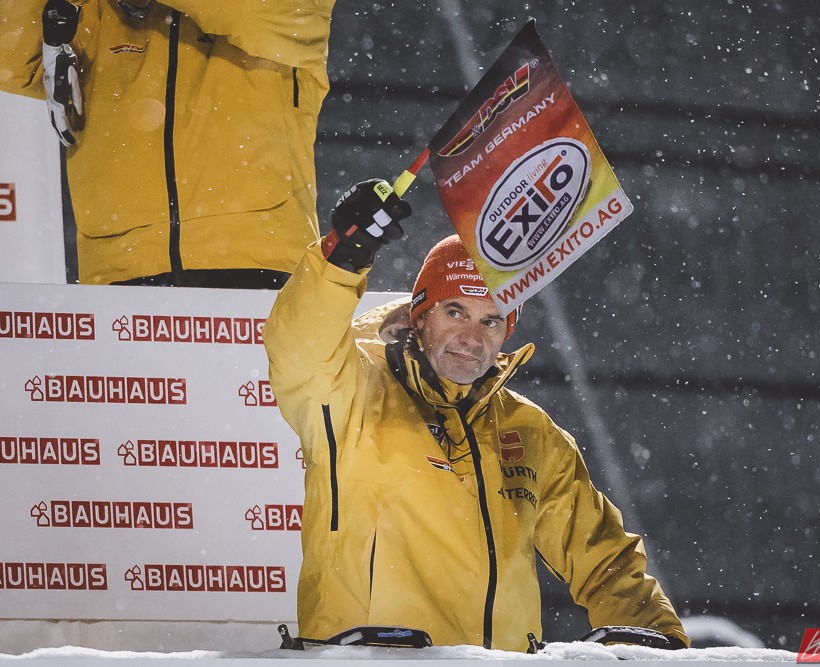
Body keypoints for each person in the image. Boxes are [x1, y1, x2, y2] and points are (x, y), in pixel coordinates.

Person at [263, 179, 690, 652]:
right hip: (370, 663)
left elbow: (606, 559)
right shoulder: (355, 391)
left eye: (491, 320)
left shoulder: (530, 431)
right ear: (420, 315)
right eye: (455, 312)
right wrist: (341, 258)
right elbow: (299, 349)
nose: (472, 337)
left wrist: (664, 647)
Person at [0, 0, 336, 287]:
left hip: (258, 263)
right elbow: (11, 60)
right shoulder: (99, 9)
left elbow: (256, 14)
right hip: (117, 267)